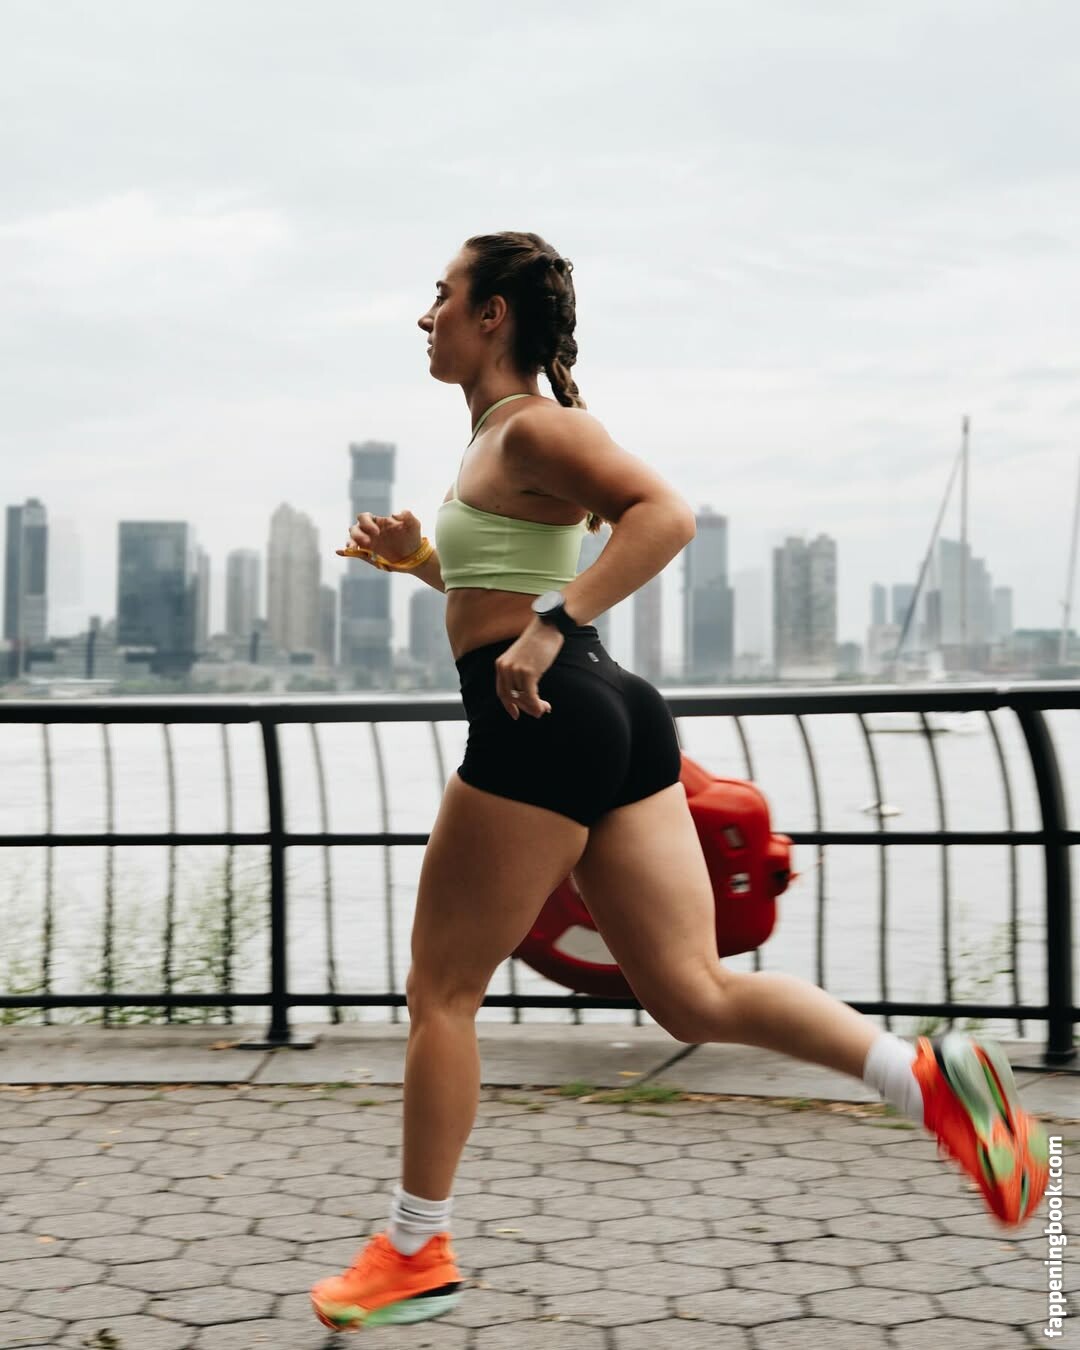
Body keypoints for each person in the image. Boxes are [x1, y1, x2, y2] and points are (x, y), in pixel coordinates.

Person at [310, 231, 1049, 1332]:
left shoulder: (538, 427)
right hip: (608, 712)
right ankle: (924, 1080)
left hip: (541, 719)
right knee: (692, 993)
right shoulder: (500, 440)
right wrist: (421, 560)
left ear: (493, 314)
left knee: (442, 994)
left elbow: (666, 515)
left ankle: (415, 1250)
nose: (426, 316)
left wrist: (550, 625)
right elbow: (499, 584)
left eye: (443, 294)